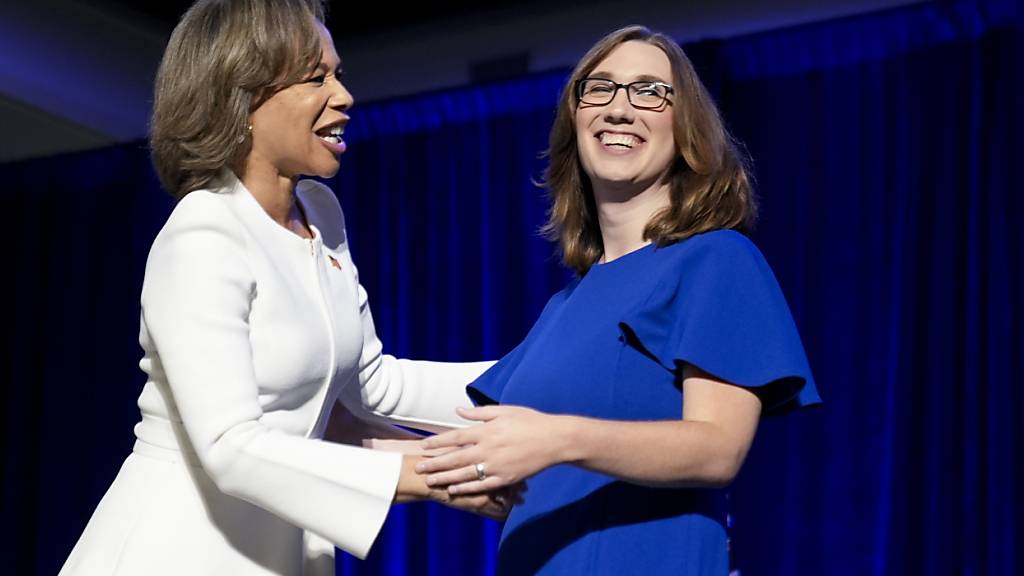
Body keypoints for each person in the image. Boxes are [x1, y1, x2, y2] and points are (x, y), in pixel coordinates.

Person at [60, 1, 504, 574]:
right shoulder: (204, 231)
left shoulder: (320, 211)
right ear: (241, 99)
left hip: (281, 544)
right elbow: (230, 446)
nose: (343, 95)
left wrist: (537, 381)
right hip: (181, 547)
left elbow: (371, 384)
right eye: (316, 78)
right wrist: (434, 475)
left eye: (337, 74)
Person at [416, 25, 822, 575]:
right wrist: (328, 431)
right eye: (600, 88)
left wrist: (560, 439)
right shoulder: (565, 306)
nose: (620, 109)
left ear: (687, 130)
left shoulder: (716, 260)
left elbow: (717, 449)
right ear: (575, 121)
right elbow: (495, 464)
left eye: (650, 91)